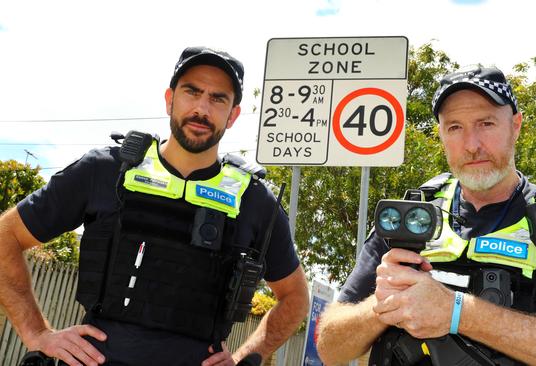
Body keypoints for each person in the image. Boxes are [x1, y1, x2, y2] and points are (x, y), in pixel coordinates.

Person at [0, 46, 309, 366]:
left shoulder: (254, 200)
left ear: (232, 115)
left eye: (218, 98)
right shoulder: (106, 170)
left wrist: (247, 357)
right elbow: (5, 237)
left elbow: (296, 297)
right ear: (169, 99)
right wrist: (37, 333)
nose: (202, 108)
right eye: (192, 91)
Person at [317, 66, 536, 365]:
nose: (471, 145)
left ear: (515, 126)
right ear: (441, 134)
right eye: (455, 127)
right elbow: (329, 347)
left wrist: (458, 313)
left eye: (486, 124)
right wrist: (382, 306)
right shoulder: (410, 214)